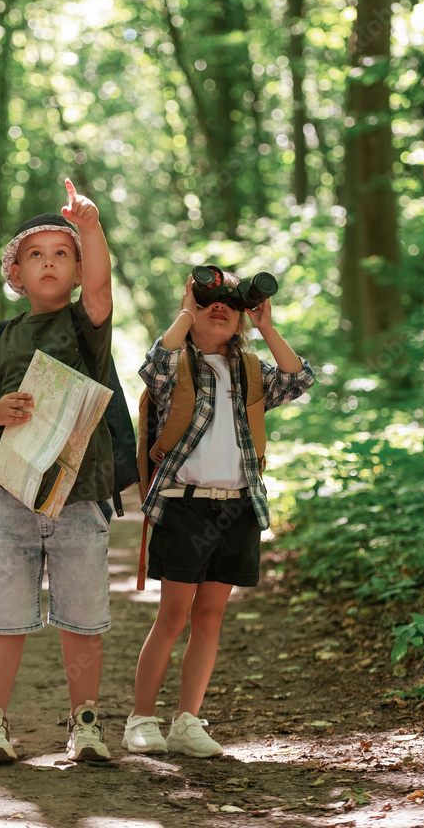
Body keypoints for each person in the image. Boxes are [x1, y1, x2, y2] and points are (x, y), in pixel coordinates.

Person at [122, 270, 314, 758]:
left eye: (232, 299)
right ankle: (140, 718)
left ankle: (187, 719)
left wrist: (267, 327)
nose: (221, 304)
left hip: (237, 508)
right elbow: (155, 364)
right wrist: (187, 309)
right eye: (210, 298)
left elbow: (298, 379)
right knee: (172, 617)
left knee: (209, 617)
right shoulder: (178, 366)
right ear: (191, 306)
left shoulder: (249, 369)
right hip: (186, 506)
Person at [0, 178, 114, 766]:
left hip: (80, 498)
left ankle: (86, 725)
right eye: (35, 254)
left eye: (62, 253)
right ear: (16, 274)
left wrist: (92, 229)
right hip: (12, 494)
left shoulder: (87, 325)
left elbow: (103, 287)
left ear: (77, 272)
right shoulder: (3, 337)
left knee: (82, 620)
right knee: (3, 618)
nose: (48, 262)